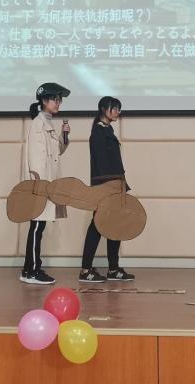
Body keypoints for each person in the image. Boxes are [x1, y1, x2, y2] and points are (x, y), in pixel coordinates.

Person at [20, 82, 71, 285]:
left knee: (39, 226)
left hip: (47, 183)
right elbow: (35, 156)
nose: (58, 103)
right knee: (37, 225)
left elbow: (57, 151)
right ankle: (31, 270)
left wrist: (65, 135)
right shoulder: (38, 123)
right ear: (43, 100)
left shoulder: (47, 123)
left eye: (59, 100)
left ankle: (30, 268)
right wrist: (40, 184)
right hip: (41, 184)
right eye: (55, 100)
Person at [79, 96, 135, 283]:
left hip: (116, 185)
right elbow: (102, 164)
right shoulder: (98, 132)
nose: (118, 112)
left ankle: (113, 268)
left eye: (119, 109)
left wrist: (121, 185)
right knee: (97, 225)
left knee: (115, 225)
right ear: (104, 109)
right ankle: (85, 269)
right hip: (105, 187)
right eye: (115, 108)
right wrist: (109, 188)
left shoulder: (107, 130)